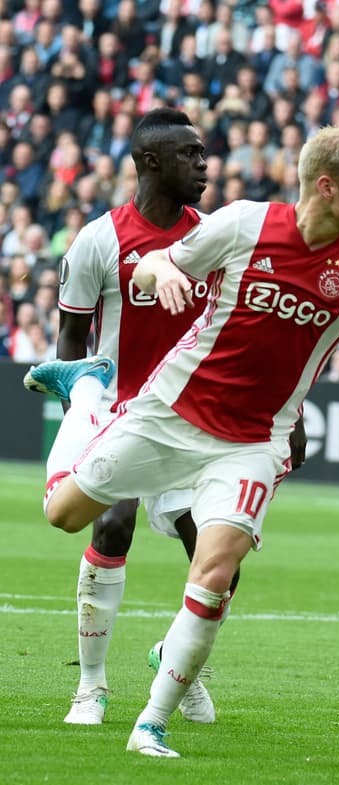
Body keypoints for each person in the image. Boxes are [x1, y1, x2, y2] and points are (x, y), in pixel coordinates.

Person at [40, 125, 339, 759]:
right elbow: (149, 266)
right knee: (63, 515)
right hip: (170, 413)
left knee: (214, 577)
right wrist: (159, 277)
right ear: (326, 186)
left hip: (252, 444)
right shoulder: (244, 225)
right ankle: (86, 390)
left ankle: (151, 723)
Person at [20, 108, 222, 727]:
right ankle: (91, 686)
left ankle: (174, 658)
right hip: (115, 412)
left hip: (188, 419)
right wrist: (82, 422)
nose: (204, 166)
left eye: (203, 153)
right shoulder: (98, 240)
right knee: (112, 527)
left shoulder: (212, 237)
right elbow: (69, 346)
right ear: (150, 162)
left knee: (218, 558)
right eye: (190, 154)